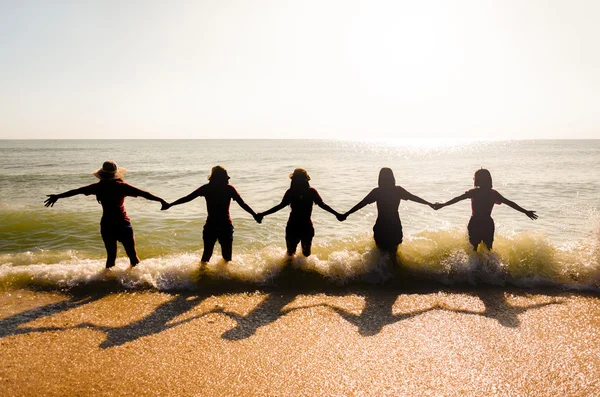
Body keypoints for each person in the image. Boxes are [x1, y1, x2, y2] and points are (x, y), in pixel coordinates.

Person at [44, 161, 168, 268]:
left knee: (110, 259)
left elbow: (77, 191)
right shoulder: (122, 186)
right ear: (116, 173)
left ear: (102, 174)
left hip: (107, 225)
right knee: (133, 257)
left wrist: (58, 196)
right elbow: (144, 194)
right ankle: (138, 284)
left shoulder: (98, 187)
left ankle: (107, 284)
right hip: (123, 224)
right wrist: (161, 200)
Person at [163, 165, 258, 263]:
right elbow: (243, 204)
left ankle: (203, 276)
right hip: (225, 226)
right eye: (226, 177)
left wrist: (170, 204)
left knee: (206, 256)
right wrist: (255, 215)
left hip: (211, 226)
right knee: (227, 258)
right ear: (220, 178)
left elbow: (188, 198)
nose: (228, 179)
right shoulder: (229, 189)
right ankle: (226, 278)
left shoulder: (207, 188)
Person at [434, 168, 538, 251]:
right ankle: (490, 273)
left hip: (475, 222)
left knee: (473, 249)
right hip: (487, 223)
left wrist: (443, 204)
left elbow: (457, 199)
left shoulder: (473, 192)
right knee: (488, 250)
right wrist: (525, 212)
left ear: (477, 179)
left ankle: (472, 273)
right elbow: (509, 203)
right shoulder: (493, 193)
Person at [340, 167, 435, 254]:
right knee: (393, 253)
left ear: (380, 179)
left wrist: (346, 214)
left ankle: (381, 272)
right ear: (392, 178)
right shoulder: (397, 190)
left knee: (381, 253)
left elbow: (362, 204)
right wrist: (430, 204)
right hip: (395, 225)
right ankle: (394, 272)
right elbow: (413, 198)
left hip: (381, 225)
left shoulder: (377, 192)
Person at [256, 168, 341, 257]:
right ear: (306, 179)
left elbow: (280, 206)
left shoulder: (299, 192)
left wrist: (262, 214)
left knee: (292, 254)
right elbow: (322, 205)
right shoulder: (306, 192)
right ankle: (299, 270)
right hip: (303, 226)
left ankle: (292, 270)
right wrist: (337, 215)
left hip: (295, 226)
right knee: (304, 253)